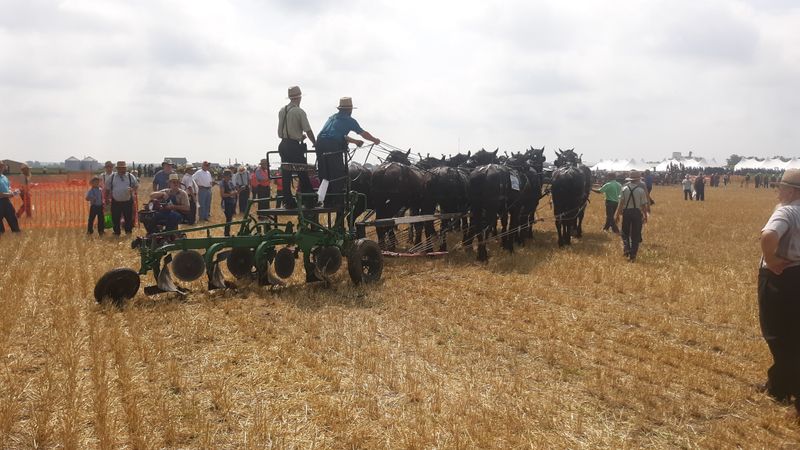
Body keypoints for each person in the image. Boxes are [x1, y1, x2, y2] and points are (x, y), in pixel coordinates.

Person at [758, 168, 800, 415]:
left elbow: (769, 236)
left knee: (778, 336)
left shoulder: (787, 211)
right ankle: (778, 386)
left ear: (792, 191)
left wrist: (771, 260)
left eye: (781, 187)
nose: (778, 191)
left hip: (782, 278)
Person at [316, 97, 380, 207]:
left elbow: (339, 135)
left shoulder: (332, 118)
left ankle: (323, 199)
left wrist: (355, 141)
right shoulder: (349, 120)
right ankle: (337, 200)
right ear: (350, 109)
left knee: (324, 174)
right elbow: (363, 133)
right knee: (338, 174)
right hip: (332, 146)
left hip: (320, 144)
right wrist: (375, 140)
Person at [277, 86, 315, 209]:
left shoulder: (282, 110)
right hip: (293, 146)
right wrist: (315, 143)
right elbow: (308, 130)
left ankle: (288, 201)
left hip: (283, 145)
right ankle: (309, 199)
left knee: (286, 174)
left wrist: (298, 137)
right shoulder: (299, 111)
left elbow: (285, 131)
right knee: (302, 171)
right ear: (299, 97)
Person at [614, 170, 649, 262]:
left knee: (624, 232)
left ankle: (626, 248)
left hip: (626, 213)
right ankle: (633, 255)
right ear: (638, 180)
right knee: (635, 234)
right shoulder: (641, 190)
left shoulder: (624, 189)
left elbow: (621, 204)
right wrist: (645, 216)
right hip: (637, 213)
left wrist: (617, 215)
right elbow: (643, 206)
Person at [104, 160, 139, 236]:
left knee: (128, 218)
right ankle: (117, 232)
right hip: (116, 201)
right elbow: (107, 188)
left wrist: (132, 189)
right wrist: (106, 199)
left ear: (125, 168)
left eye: (123, 168)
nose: (122, 169)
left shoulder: (130, 176)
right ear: (117, 168)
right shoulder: (112, 177)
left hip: (128, 201)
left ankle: (128, 232)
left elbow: (136, 185)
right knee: (115, 218)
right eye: (120, 168)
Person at [0, 160, 21, 233]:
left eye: (2, 166)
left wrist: (13, 191)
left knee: (12, 217)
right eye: (0, 166)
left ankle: (17, 232)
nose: (1, 167)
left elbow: (8, 187)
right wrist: (10, 194)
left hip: (6, 201)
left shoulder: (4, 177)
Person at [219, 169, 238, 236]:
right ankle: (226, 233)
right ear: (225, 176)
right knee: (228, 218)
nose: (230, 177)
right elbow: (222, 195)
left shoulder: (230, 182)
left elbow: (234, 190)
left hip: (232, 202)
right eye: (229, 176)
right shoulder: (222, 183)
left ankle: (227, 232)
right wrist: (231, 194)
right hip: (226, 203)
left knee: (230, 218)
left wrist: (236, 192)